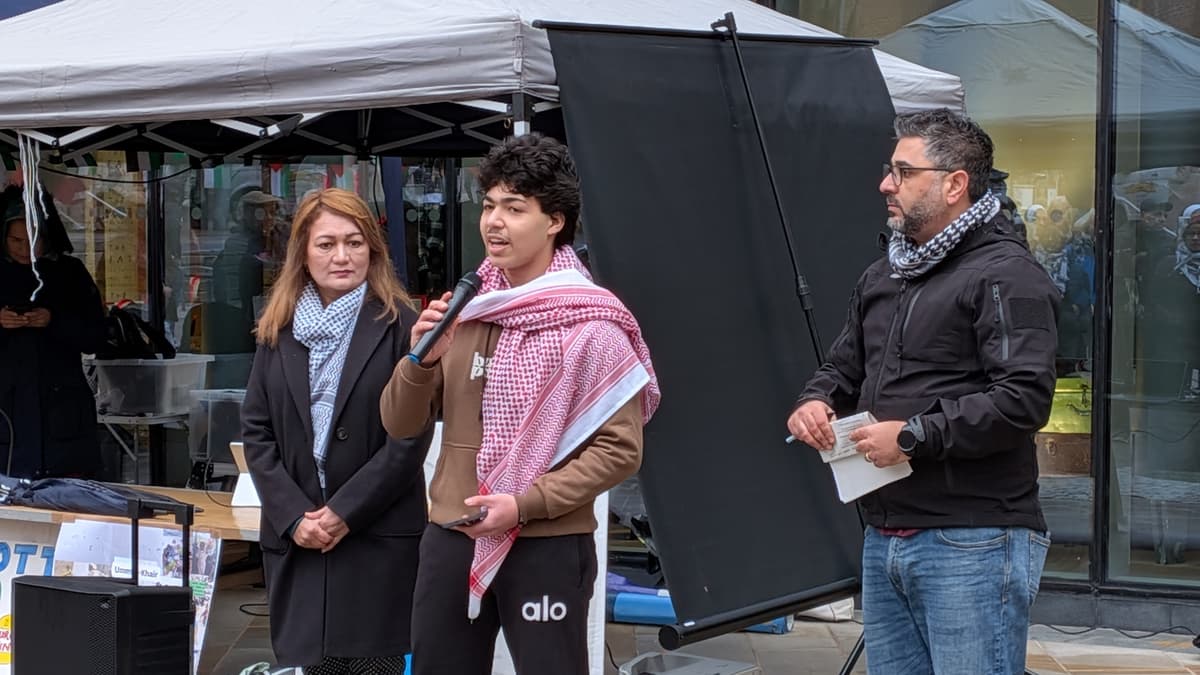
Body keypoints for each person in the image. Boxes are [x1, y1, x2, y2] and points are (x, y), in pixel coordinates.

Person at [786, 109, 1059, 674]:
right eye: (891, 170)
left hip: (974, 539)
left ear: (955, 183)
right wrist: (815, 401)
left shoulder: (1007, 273)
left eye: (903, 171)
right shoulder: (884, 273)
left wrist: (912, 436)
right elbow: (843, 366)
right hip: (886, 533)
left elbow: (1023, 400)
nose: (886, 184)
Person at [380, 133, 660, 675]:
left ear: (554, 221)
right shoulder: (467, 306)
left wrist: (526, 503)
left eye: (514, 207)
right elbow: (398, 422)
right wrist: (423, 361)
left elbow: (621, 451)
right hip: (451, 535)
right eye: (488, 205)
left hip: (546, 542)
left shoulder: (593, 323)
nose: (494, 222)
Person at [241, 188, 432, 674]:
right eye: (326, 244)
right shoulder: (276, 328)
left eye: (354, 242)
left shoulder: (401, 324)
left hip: (375, 539)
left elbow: (409, 437)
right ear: (303, 252)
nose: (342, 256)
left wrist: (343, 513)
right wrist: (294, 516)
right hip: (299, 543)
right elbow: (257, 431)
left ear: (373, 248)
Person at [0, 185, 105, 478]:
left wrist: (53, 321)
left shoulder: (69, 273)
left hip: (63, 415)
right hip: (7, 414)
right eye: (17, 240)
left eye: (35, 240)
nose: (26, 249)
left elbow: (97, 335)